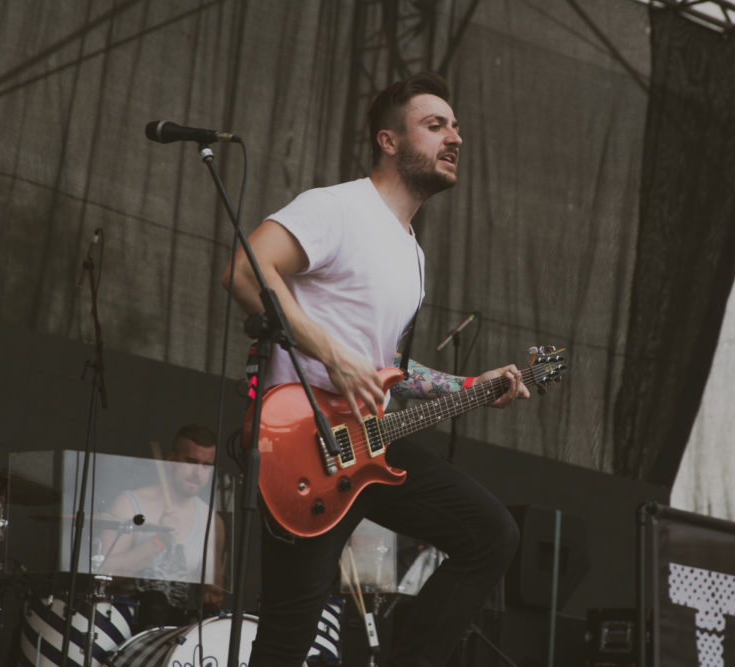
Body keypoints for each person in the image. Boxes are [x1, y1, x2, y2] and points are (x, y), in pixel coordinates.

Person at [221, 71, 529, 666]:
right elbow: (245, 271)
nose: (454, 137)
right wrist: (331, 354)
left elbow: (383, 368)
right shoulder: (336, 207)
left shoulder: (411, 251)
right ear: (388, 141)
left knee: (491, 534)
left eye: (455, 127)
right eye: (435, 125)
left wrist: (469, 386)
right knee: (286, 642)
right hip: (304, 448)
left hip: (370, 447)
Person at [100, 424, 225, 628]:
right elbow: (103, 576)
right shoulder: (129, 504)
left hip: (173, 635)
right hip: (121, 626)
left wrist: (213, 593)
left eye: (206, 466)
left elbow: (210, 597)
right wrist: (159, 541)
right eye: (191, 462)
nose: (198, 473)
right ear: (171, 461)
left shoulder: (211, 521)